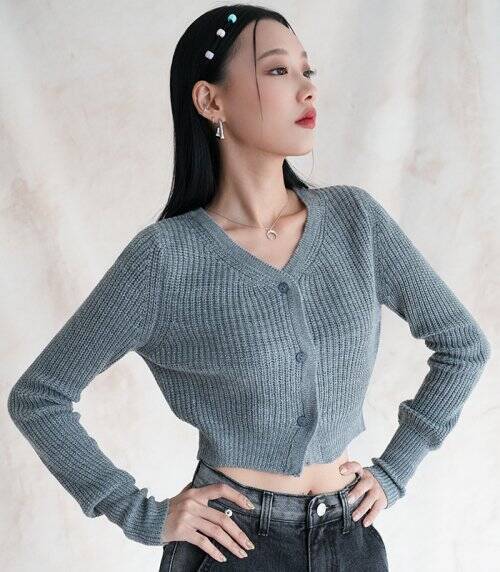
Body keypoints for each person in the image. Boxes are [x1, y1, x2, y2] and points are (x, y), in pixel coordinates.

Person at [8, 4, 491, 571]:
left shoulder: (355, 221)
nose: (307, 89)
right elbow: (40, 397)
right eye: (278, 70)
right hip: (232, 546)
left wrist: (394, 470)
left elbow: (464, 346)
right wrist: (139, 513)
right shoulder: (166, 258)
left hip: (351, 542)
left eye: (308, 70)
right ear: (210, 101)